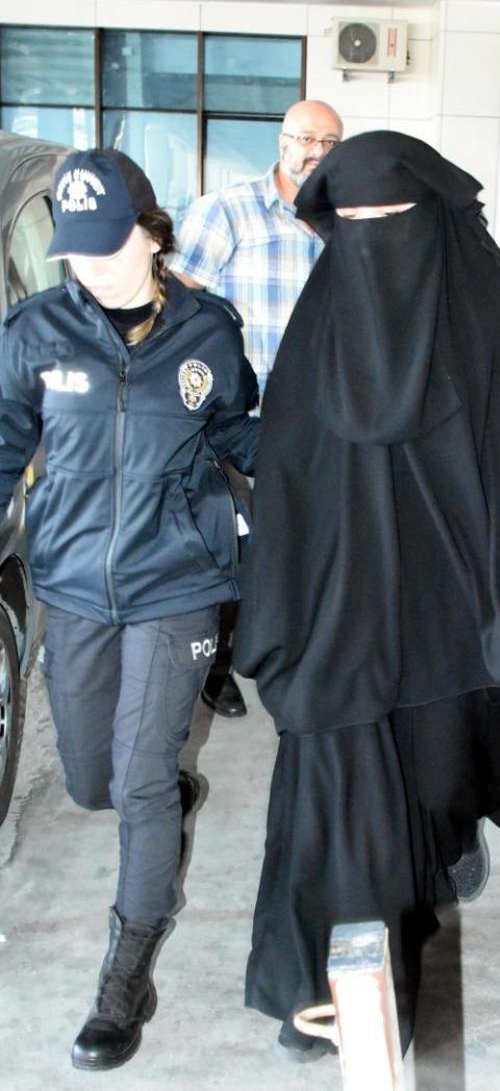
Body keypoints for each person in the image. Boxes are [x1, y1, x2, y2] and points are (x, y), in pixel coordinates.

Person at [232, 131, 500, 1060]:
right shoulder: (323, 317)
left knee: (437, 780)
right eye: (352, 221)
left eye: (390, 218)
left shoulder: (478, 302)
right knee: (338, 786)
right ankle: (325, 988)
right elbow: (290, 470)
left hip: (454, 609)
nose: (372, 238)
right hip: (341, 613)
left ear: (432, 218)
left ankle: (443, 848)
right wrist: (278, 603)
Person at [0, 148, 259, 1071]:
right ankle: (164, 795)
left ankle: (125, 976)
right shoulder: (34, 332)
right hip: (72, 583)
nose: (91, 267)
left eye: (109, 246)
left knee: (141, 779)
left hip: (176, 581)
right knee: (91, 781)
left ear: (153, 234)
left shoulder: (207, 332)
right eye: (75, 250)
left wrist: (325, 464)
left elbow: (238, 432)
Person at [171, 98, 344, 718]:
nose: (316, 153)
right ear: (282, 141)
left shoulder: (345, 222)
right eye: (306, 139)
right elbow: (177, 306)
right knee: (233, 548)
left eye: (330, 143)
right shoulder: (227, 211)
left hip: (321, 419)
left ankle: (295, 655)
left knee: (307, 546)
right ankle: (216, 664)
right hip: (237, 419)